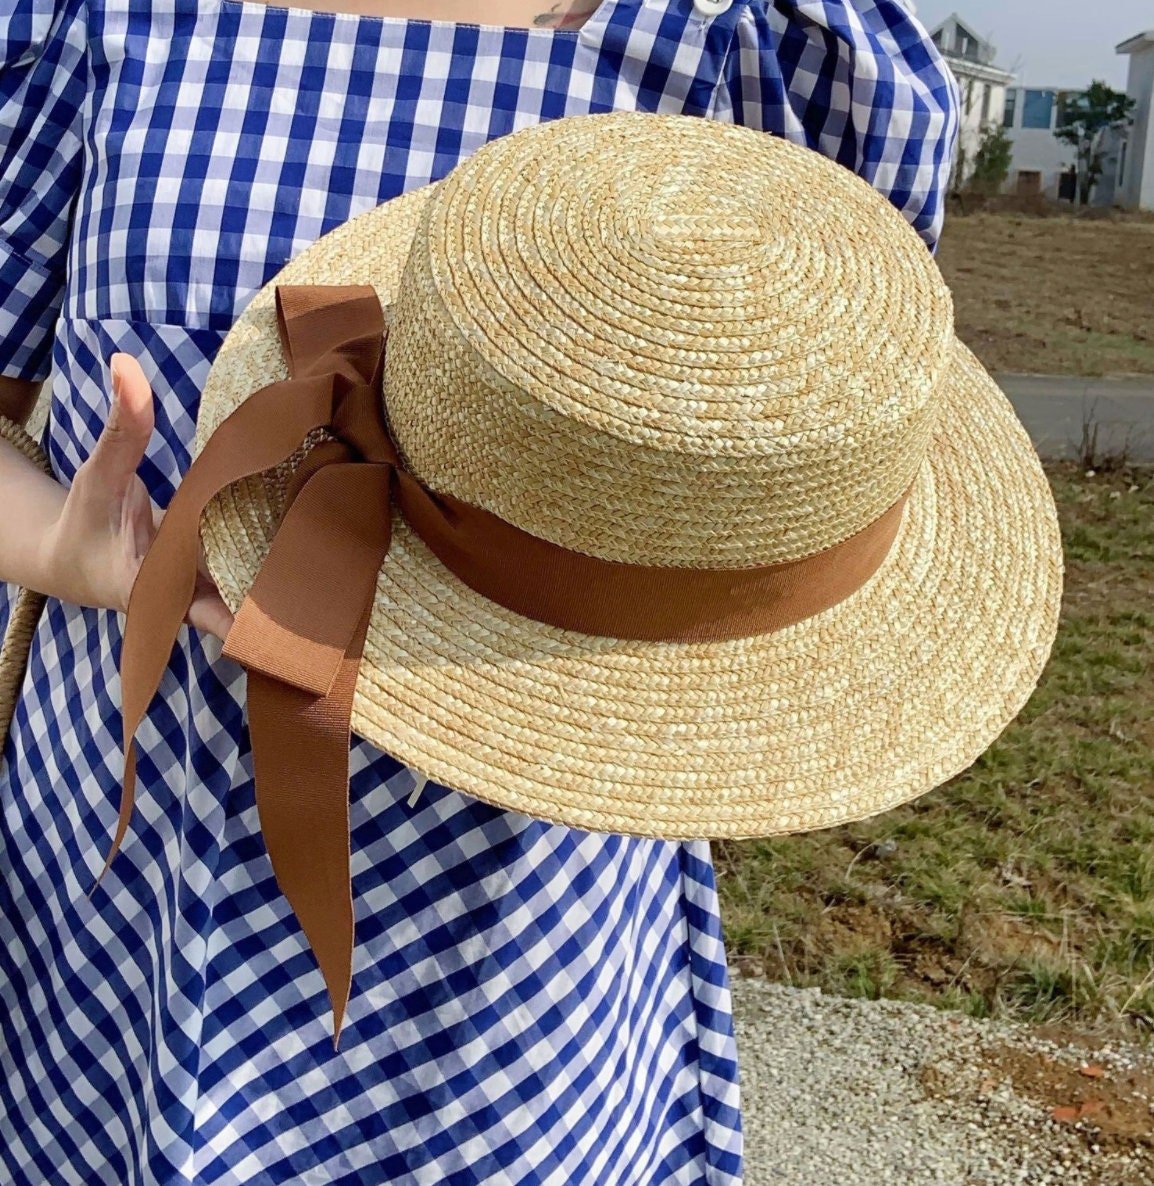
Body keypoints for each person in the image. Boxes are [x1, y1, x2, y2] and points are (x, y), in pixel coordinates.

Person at [0, 2, 960, 1182]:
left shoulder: (751, 41)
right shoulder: (80, 22)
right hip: (111, 859)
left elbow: (818, 445)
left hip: (516, 933)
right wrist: (57, 539)